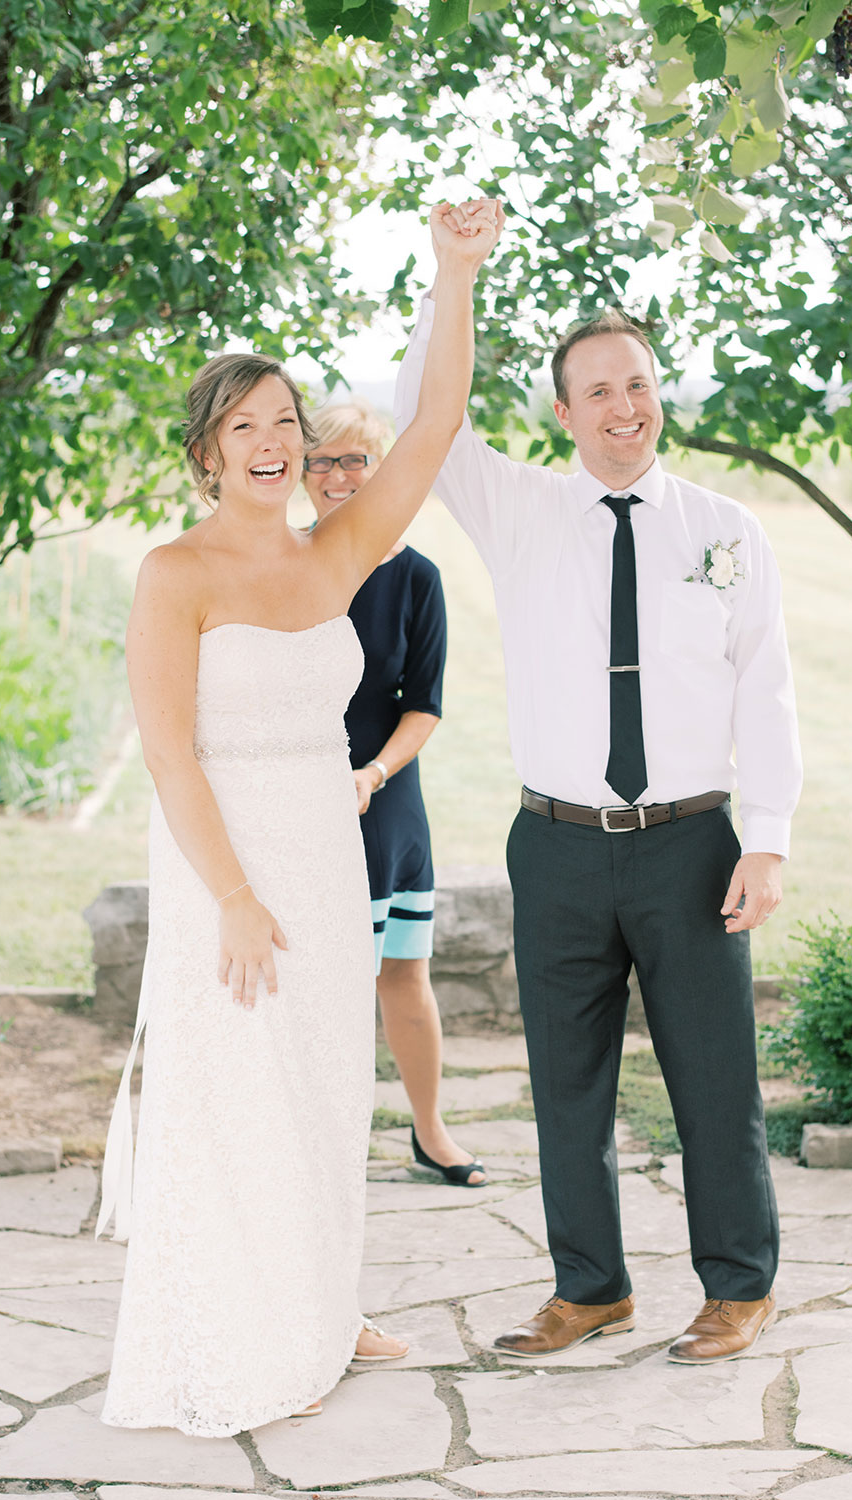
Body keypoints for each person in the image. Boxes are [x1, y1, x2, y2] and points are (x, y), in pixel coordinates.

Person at [94, 197, 504, 1438]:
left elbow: (434, 424)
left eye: (286, 420)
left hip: (327, 863)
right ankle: (253, 1329)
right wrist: (232, 899)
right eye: (246, 425)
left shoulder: (336, 555)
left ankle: (325, 1306)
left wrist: (452, 271)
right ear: (208, 452)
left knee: (326, 1093)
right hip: (226, 870)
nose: (273, 440)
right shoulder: (176, 576)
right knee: (233, 1104)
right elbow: (170, 755)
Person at [394, 213, 802, 1367]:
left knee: (713, 1079)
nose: (624, 408)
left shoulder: (727, 532)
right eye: (598, 392)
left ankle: (738, 1285)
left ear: (655, 395)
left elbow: (764, 689)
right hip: (559, 844)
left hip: (691, 843)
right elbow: (428, 406)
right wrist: (453, 274)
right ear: (562, 414)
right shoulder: (514, 508)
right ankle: (590, 1288)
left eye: (639, 385)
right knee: (564, 1083)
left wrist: (763, 840)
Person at [302, 402, 485, 1187]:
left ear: (381, 471)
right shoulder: (285, 562)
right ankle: (318, 1143)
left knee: (404, 973)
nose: (340, 477)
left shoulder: (416, 578)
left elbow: (425, 703)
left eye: (357, 462)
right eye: (323, 462)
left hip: (385, 800)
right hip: (299, 801)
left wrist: (372, 775)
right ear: (301, 475)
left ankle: (431, 1132)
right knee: (320, 983)